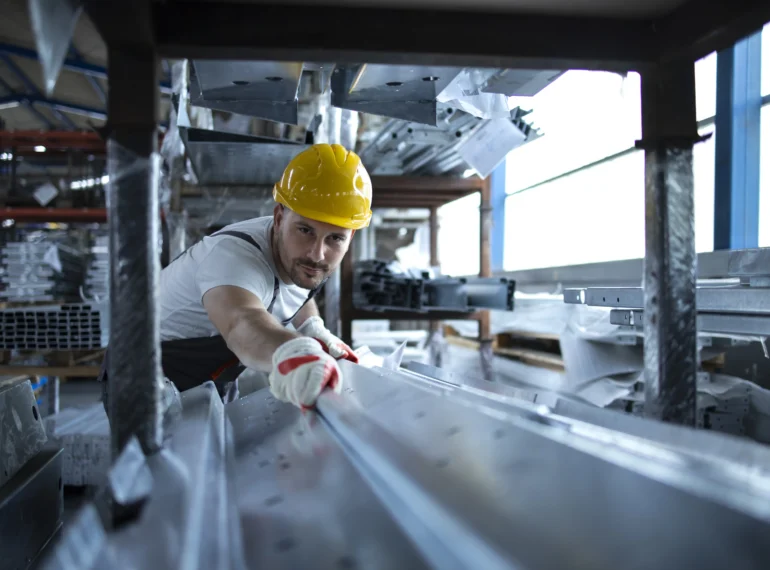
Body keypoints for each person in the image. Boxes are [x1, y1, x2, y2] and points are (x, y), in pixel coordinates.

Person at [102, 143, 372, 410]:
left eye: (335, 238)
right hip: (145, 377)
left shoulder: (299, 258)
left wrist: (312, 327)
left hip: (213, 375)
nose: (317, 254)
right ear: (279, 218)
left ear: (351, 237)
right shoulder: (233, 258)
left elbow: (299, 291)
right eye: (305, 230)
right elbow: (241, 322)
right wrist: (294, 350)